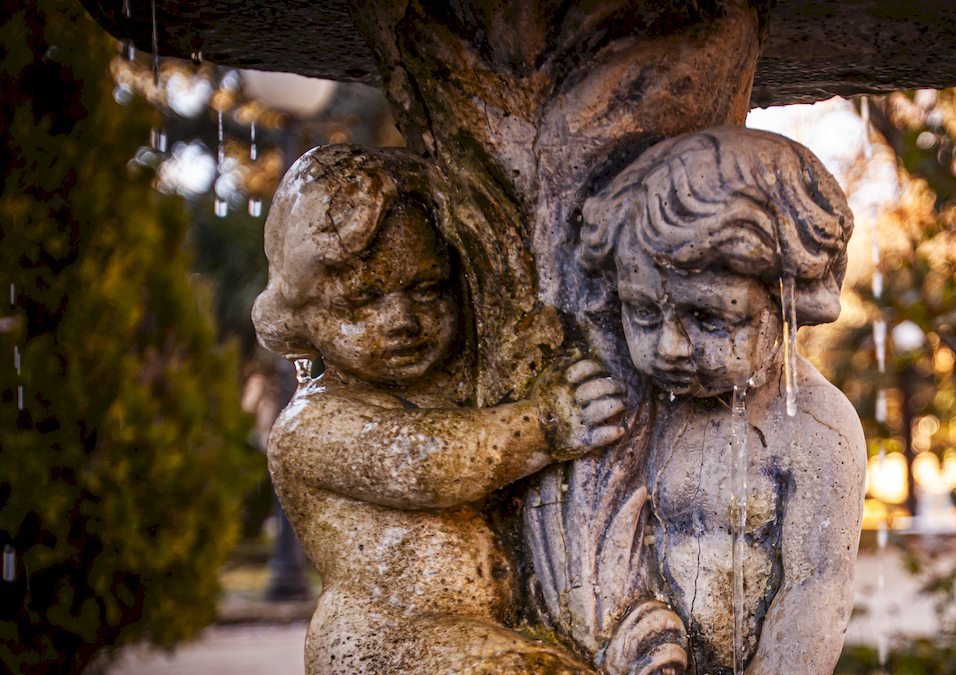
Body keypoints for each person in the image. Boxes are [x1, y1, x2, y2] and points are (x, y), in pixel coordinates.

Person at [253, 144, 623, 674]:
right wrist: (542, 423)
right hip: (387, 639)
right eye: (363, 300)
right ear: (300, 313)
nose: (402, 320)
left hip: (462, 629)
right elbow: (423, 461)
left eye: (427, 289)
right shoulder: (311, 425)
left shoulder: (449, 387)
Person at [578, 127, 866, 673]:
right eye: (643, 312)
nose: (669, 347)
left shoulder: (815, 428)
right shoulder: (640, 405)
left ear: (788, 300)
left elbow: (815, 593)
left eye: (708, 317)